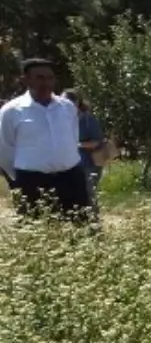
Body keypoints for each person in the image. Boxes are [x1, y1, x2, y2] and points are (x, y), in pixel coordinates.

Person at [0, 58, 90, 221]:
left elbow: (72, 138)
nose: (46, 83)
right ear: (26, 80)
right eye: (40, 77)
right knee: (35, 229)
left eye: (50, 78)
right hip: (32, 181)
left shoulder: (67, 107)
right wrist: (20, 177)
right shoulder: (11, 111)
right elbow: (5, 149)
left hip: (71, 179)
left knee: (81, 227)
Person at [63, 89, 106, 216]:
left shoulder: (87, 119)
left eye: (68, 101)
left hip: (89, 163)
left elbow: (97, 141)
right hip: (70, 164)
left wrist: (77, 145)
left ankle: (94, 227)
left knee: (88, 196)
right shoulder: (62, 119)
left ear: (76, 102)